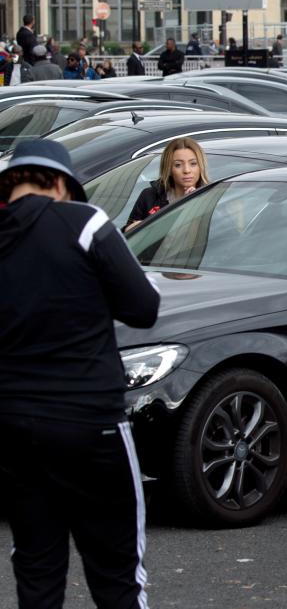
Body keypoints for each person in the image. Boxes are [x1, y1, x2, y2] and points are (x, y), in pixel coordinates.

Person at [0, 139, 161, 609]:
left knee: (36, 568)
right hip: (91, 422)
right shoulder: (84, 222)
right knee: (117, 574)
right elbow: (144, 308)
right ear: (57, 182)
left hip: (13, 426)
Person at [126, 137, 208, 231]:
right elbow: (126, 235)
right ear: (168, 169)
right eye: (178, 165)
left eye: (193, 163)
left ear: (200, 166)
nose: (186, 170)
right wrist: (132, 228)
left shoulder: (211, 197)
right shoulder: (149, 196)